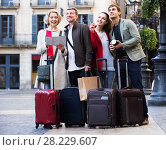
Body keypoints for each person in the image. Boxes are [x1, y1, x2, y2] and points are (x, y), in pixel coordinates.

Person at [108, 4, 149, 124]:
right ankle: (126, 117)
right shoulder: (111, 30)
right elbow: (114, 46)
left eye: (113, 10)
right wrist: (112, 48)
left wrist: (122, 45)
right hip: (119, 61)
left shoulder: (128, 23)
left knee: (137, 87)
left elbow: (137, 38)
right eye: (109, 10)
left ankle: (144, 116)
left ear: (119, 12)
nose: (111, 12)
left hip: (132, 59)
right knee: (122, 89)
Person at [34, 9, 67, 90]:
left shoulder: (62, 32)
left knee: (58, 91)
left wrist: (63, 49)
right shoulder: (42, 33)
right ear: (48, 19)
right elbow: (38, 50)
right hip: (46, 65)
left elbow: (65, 52)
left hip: (58, 64)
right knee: (47, 90)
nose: (54, 19)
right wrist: (45, 44)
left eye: (56, 17)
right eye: (51, 17)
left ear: (58, 19)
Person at [64, 7, 93, 87]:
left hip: (82, 66)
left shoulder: (83, 27)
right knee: (74, 92)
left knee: (84, 92)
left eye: (71, 13)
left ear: (76, 16)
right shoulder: (65, 30)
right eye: (67, 13)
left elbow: (88, 47)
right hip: (70, 67)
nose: (69, 15)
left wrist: (87, 63)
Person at [90, 12, 115, 88]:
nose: (100, 19)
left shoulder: (108, 32)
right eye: (99, 17)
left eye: (103, 18)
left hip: (110, 65)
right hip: (98, 65)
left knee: (108, 89)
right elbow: (93, 46)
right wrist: (92, 32)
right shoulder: (91, 31)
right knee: (99, 90)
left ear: (106, 22)